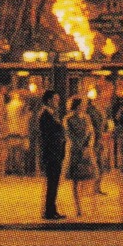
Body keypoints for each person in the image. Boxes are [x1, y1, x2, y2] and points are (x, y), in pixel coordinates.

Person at [34, 90, 67, 220]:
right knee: (52, 182)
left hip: (56, 153)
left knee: (54, 183)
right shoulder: (45, 115)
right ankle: (49, 211)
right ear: (49, 100)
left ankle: (52, 209)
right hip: (51, 154)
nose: (57, 102)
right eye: (55, 100)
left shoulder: (52, 114)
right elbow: (47, 136)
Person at [63, 96, 98, 216]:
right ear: (77, 105)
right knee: (75, 180)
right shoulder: (68, 119)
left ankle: (87, 204)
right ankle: (78, 208)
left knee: (89, 177)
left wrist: (88, 146)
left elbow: (91, 133)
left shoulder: (86, 118)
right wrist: (80, 147)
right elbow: (69, 135)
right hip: (75, 151)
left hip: (86, 151)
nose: (84, 106)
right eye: (82, 104)